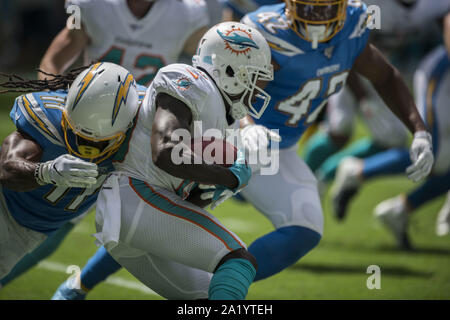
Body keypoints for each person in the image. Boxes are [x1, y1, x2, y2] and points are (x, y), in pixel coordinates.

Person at [0, 0, 212, 292]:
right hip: (82, 119)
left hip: (135, 136)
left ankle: (78, 287)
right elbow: (57, 56)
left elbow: (207, 67)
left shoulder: (188, 12)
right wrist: (61, 100)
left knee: (139, 224)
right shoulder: (92, 5)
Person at [228, 0, 434, 282]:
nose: (316, 16)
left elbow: (385, 75)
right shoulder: (266, 31)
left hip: (280, 149)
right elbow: (228, 94)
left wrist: (419, 130)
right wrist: (246, 127)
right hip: (226, 138)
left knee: (305, 228)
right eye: (308, 7)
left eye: (325, 7)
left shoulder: (354, 23)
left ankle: (221, 287)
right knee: (178, 215)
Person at [92, 21, 274, 299]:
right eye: (253, 76)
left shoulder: (228, 121)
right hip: (135, 194)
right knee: (238, 260)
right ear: (229, 70)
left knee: (205, 297)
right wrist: (230, 177)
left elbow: (188, 203)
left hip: (139, 212)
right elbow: (165, 151)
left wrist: (213, 187)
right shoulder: (189, 80)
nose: (256, 87)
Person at [0, 62, 141, 280]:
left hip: (34, 230)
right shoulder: (46, 117)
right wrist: (45, 172)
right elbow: (7, 170)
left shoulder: (141, 131)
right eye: (78, 134)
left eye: (100, 142)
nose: (86, 146)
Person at [303, 0, 450, 195]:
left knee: (392, 138)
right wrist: (362, 97)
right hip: (344, 65)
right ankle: (303, 176)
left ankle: (325, 174)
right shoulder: (369, 4)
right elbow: (346, 45)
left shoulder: (434, 4)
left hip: (378, 69)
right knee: (339, 129)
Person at [331, 44, 450, 249]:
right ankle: (359, 171)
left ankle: (400, 210)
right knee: (435, 157)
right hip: (442, 76)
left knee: (443, 163)